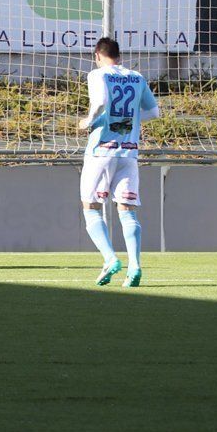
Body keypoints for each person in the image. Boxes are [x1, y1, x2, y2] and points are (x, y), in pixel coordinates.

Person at [78, 38, 159, 287]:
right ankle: (134, 266)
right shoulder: (136, 77)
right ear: (119, 56)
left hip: (101, 151)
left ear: (97, 56)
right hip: (129, 152)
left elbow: (101, 100)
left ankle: (110, 259)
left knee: (90, 206)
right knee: (127, 209)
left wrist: (89, 120)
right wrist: (125, 123)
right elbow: (153, 112)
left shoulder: (97, 74)